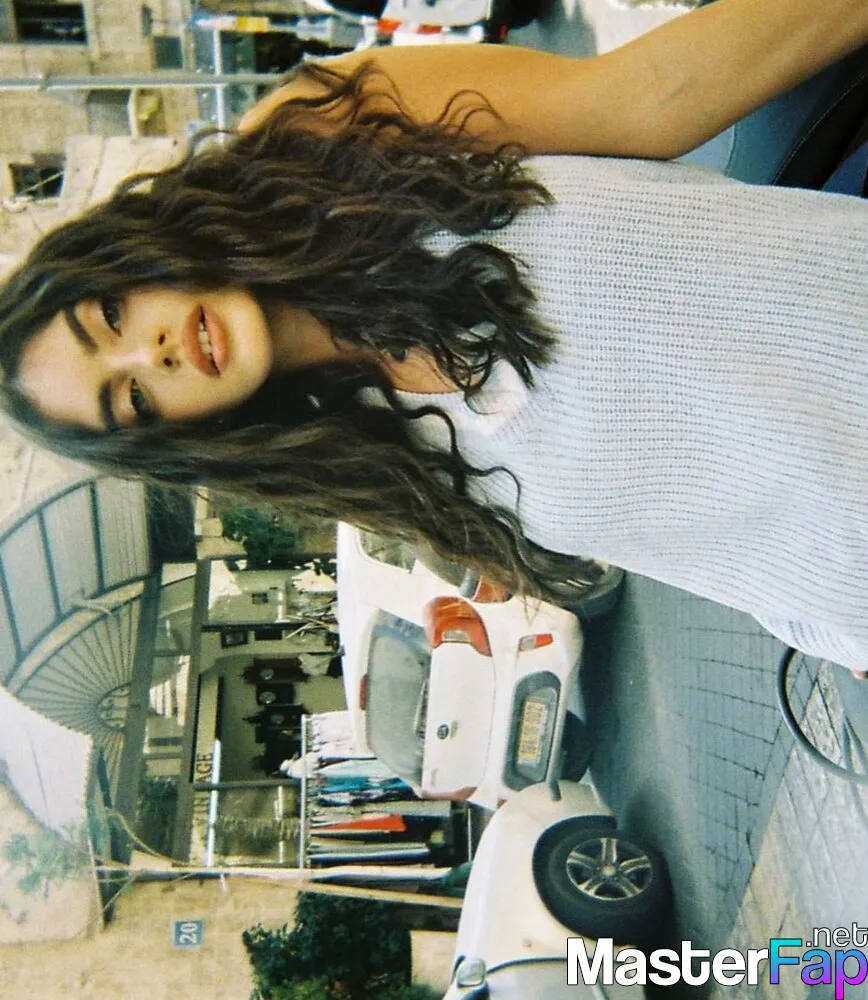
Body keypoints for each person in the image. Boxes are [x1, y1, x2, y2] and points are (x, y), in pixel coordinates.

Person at [0, 0, 867, 672]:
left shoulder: (314, 140)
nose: (150, 355)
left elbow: (652, 96)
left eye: (110, 316)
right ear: (175, 434)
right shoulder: (379, 470)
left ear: (130, 255)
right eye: (132, 397)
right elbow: (705, 536)